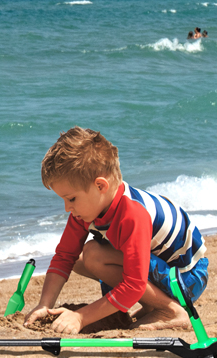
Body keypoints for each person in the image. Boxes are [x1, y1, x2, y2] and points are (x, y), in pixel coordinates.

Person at [26, 127, 207, 335]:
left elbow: (134, 284)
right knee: (78, 258)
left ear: (100, 186)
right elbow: (64, 257)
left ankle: (170, 310)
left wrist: (81, 317)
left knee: (94, 255)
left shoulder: (133, 214)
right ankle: (152, 306)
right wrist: (44, 305)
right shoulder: (86, 211)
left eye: (71, 198)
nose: (67, 208)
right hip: (160, 269)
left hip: (186, 277)